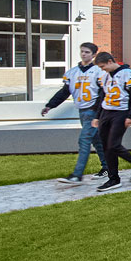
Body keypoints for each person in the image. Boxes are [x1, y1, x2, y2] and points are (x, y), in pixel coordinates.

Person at [42, 42, 108, 184]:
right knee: (96, 140)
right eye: (82, 51)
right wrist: (50, 105)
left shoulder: (98, 72)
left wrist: (97, 111)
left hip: (92, 110)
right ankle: (107, 167)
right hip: (82, 111)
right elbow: (64, 92)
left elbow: (103, 93)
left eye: (87, 52)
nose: (84, 54)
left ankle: (77, 175)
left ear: (93, 55)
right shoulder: (73, 72)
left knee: (84, 140)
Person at [89, 51, 131, 192]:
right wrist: (97, 116)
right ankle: (113, 178)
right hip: (106, 112)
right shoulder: (105, 77)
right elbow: (102, 97)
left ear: (110, 61)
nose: (102, 69)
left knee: (114, 144)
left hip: (121, 112)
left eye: (103, 66)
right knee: (105, 146)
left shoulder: (128, 74)